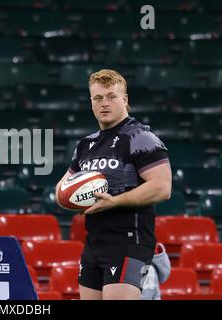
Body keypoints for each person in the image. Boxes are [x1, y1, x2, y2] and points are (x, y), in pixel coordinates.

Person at [55, 69, 172, 300]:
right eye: (98, 98)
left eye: (111, 96)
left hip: (130, 242)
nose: (104, 103)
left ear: (125, 99)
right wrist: (69, 198)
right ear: (91, 102)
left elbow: (162, 187)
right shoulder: (85, 145)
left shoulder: (140, 137)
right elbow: (62, 189)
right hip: (94, 242)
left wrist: (115, 201)